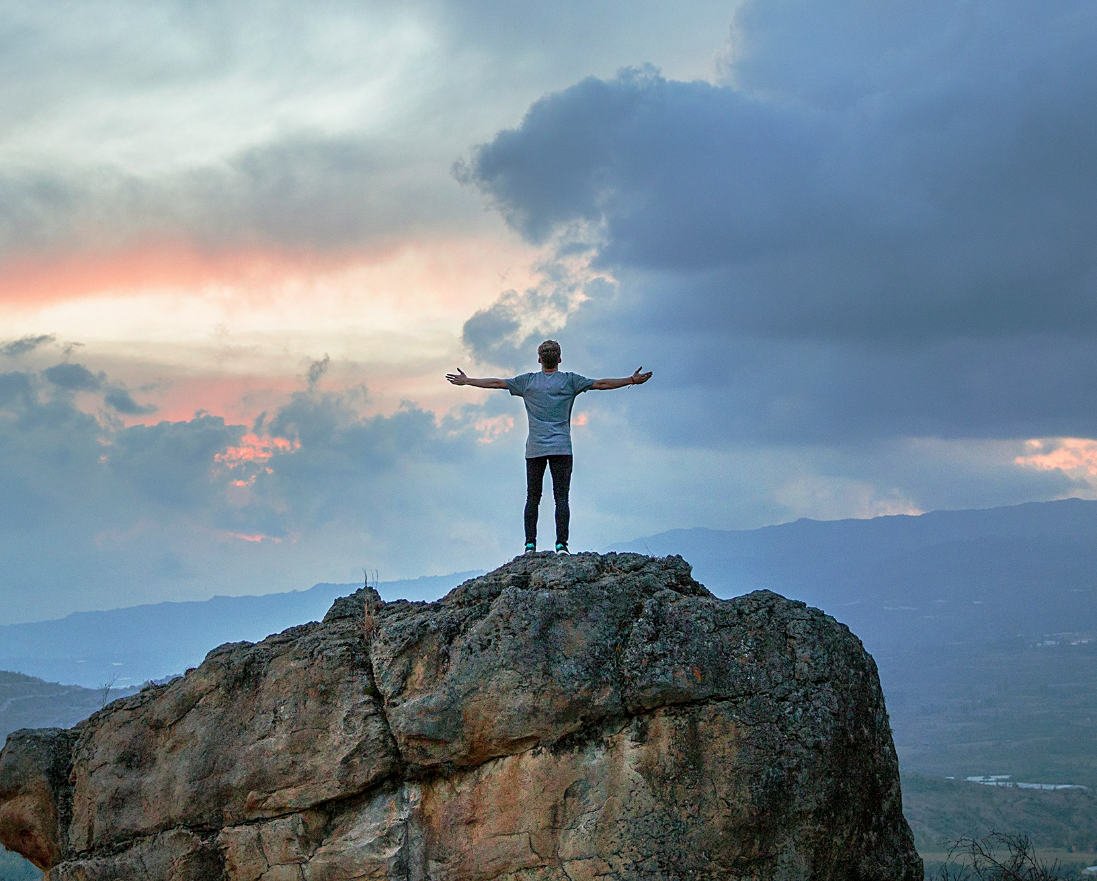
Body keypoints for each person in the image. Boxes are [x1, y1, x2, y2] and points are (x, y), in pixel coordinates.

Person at [446, 339, 652, 555]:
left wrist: (468, 381)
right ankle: (561, 545)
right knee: (561, 497)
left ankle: (529, 545)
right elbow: (601, 384)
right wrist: (631, 380)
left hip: (535, 449)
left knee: (532, 497)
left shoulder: (527, 382)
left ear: (539, 359)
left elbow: (497, 383)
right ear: (560, 359)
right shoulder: (570, 381)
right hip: (562, 447)